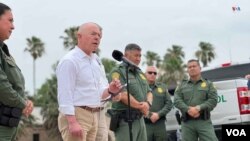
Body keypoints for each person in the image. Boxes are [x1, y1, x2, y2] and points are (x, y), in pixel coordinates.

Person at [56, 22, 122, 141]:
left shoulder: (95, 61)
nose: (97, 37)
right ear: (79, 36)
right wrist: (72, 122)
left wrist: (110, 90)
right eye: (93, 34)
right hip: (78, 114)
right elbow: (65, 94)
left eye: (99, 36)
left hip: (94, 115)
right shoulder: (70, 61)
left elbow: (98, 93)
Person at [0, 2, 33, 141]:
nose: (13, 26)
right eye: (10, 20)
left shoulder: (3, 50)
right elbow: (2, 86)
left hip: (9, 123)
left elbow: (14, 84)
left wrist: (24, 101)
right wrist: (23, 104)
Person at [109, 43, 153, 141]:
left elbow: (149, 92)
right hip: (125, 121)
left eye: (140, 56)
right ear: (126, 55)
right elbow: (123, 94)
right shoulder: (118, 72)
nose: (138, 59)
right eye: (136, 55)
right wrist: (141, 106)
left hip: (140, 119)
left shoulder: (140, 73)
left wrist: (148, 104)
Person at [174, 59, 218, 141]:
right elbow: (177, 100)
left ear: (200, 68)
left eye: (194, 66)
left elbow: (213, 100)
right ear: (187, 70)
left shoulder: (208, 84)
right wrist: (188, 109)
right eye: (189, 67)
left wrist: (199, 108)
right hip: (187, 123)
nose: (192, 68)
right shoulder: (181, 85)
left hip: (203, 121)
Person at [144, 66, 172, 141]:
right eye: (150, 72)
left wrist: (158, 114)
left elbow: (169, 104)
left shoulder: (162, 87)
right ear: (145, 74)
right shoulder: (140, 87)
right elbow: (137, 105)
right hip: (145, 125)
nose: (152, 74)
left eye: (155, 73)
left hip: (160, 124)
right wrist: (150, 115)